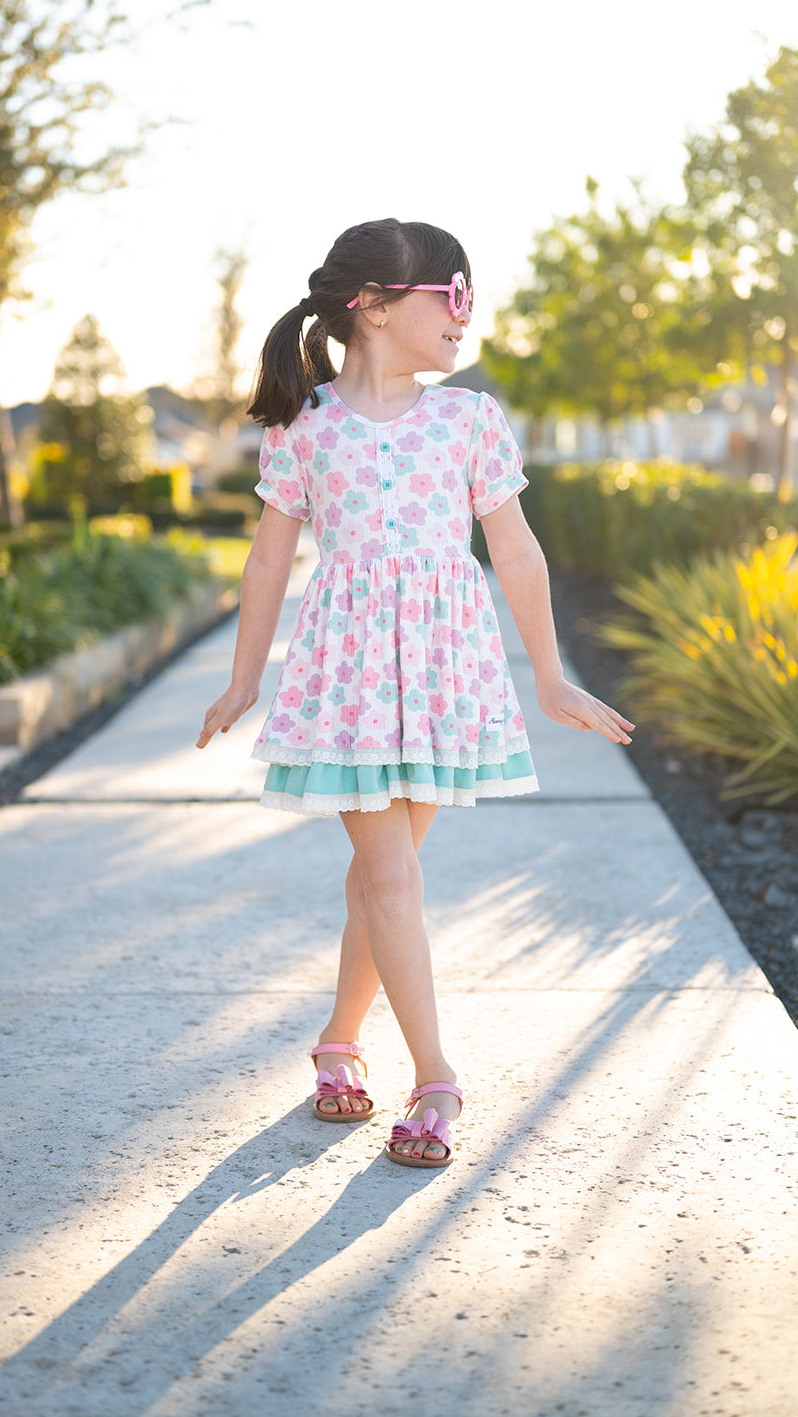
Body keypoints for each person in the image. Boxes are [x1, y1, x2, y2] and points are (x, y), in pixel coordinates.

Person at [196, 218, 633, 1169]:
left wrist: (549, 675)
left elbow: (515, 550)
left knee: (378, 880)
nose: (465, 315)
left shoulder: (469, 419)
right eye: (452, 294)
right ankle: (437, 1078)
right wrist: (244, 679)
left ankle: (337, 1042)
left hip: (443, 677)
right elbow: (268, 562)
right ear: (375, 306)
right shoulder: (305, 425)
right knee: (391, 877)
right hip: (351, 678)